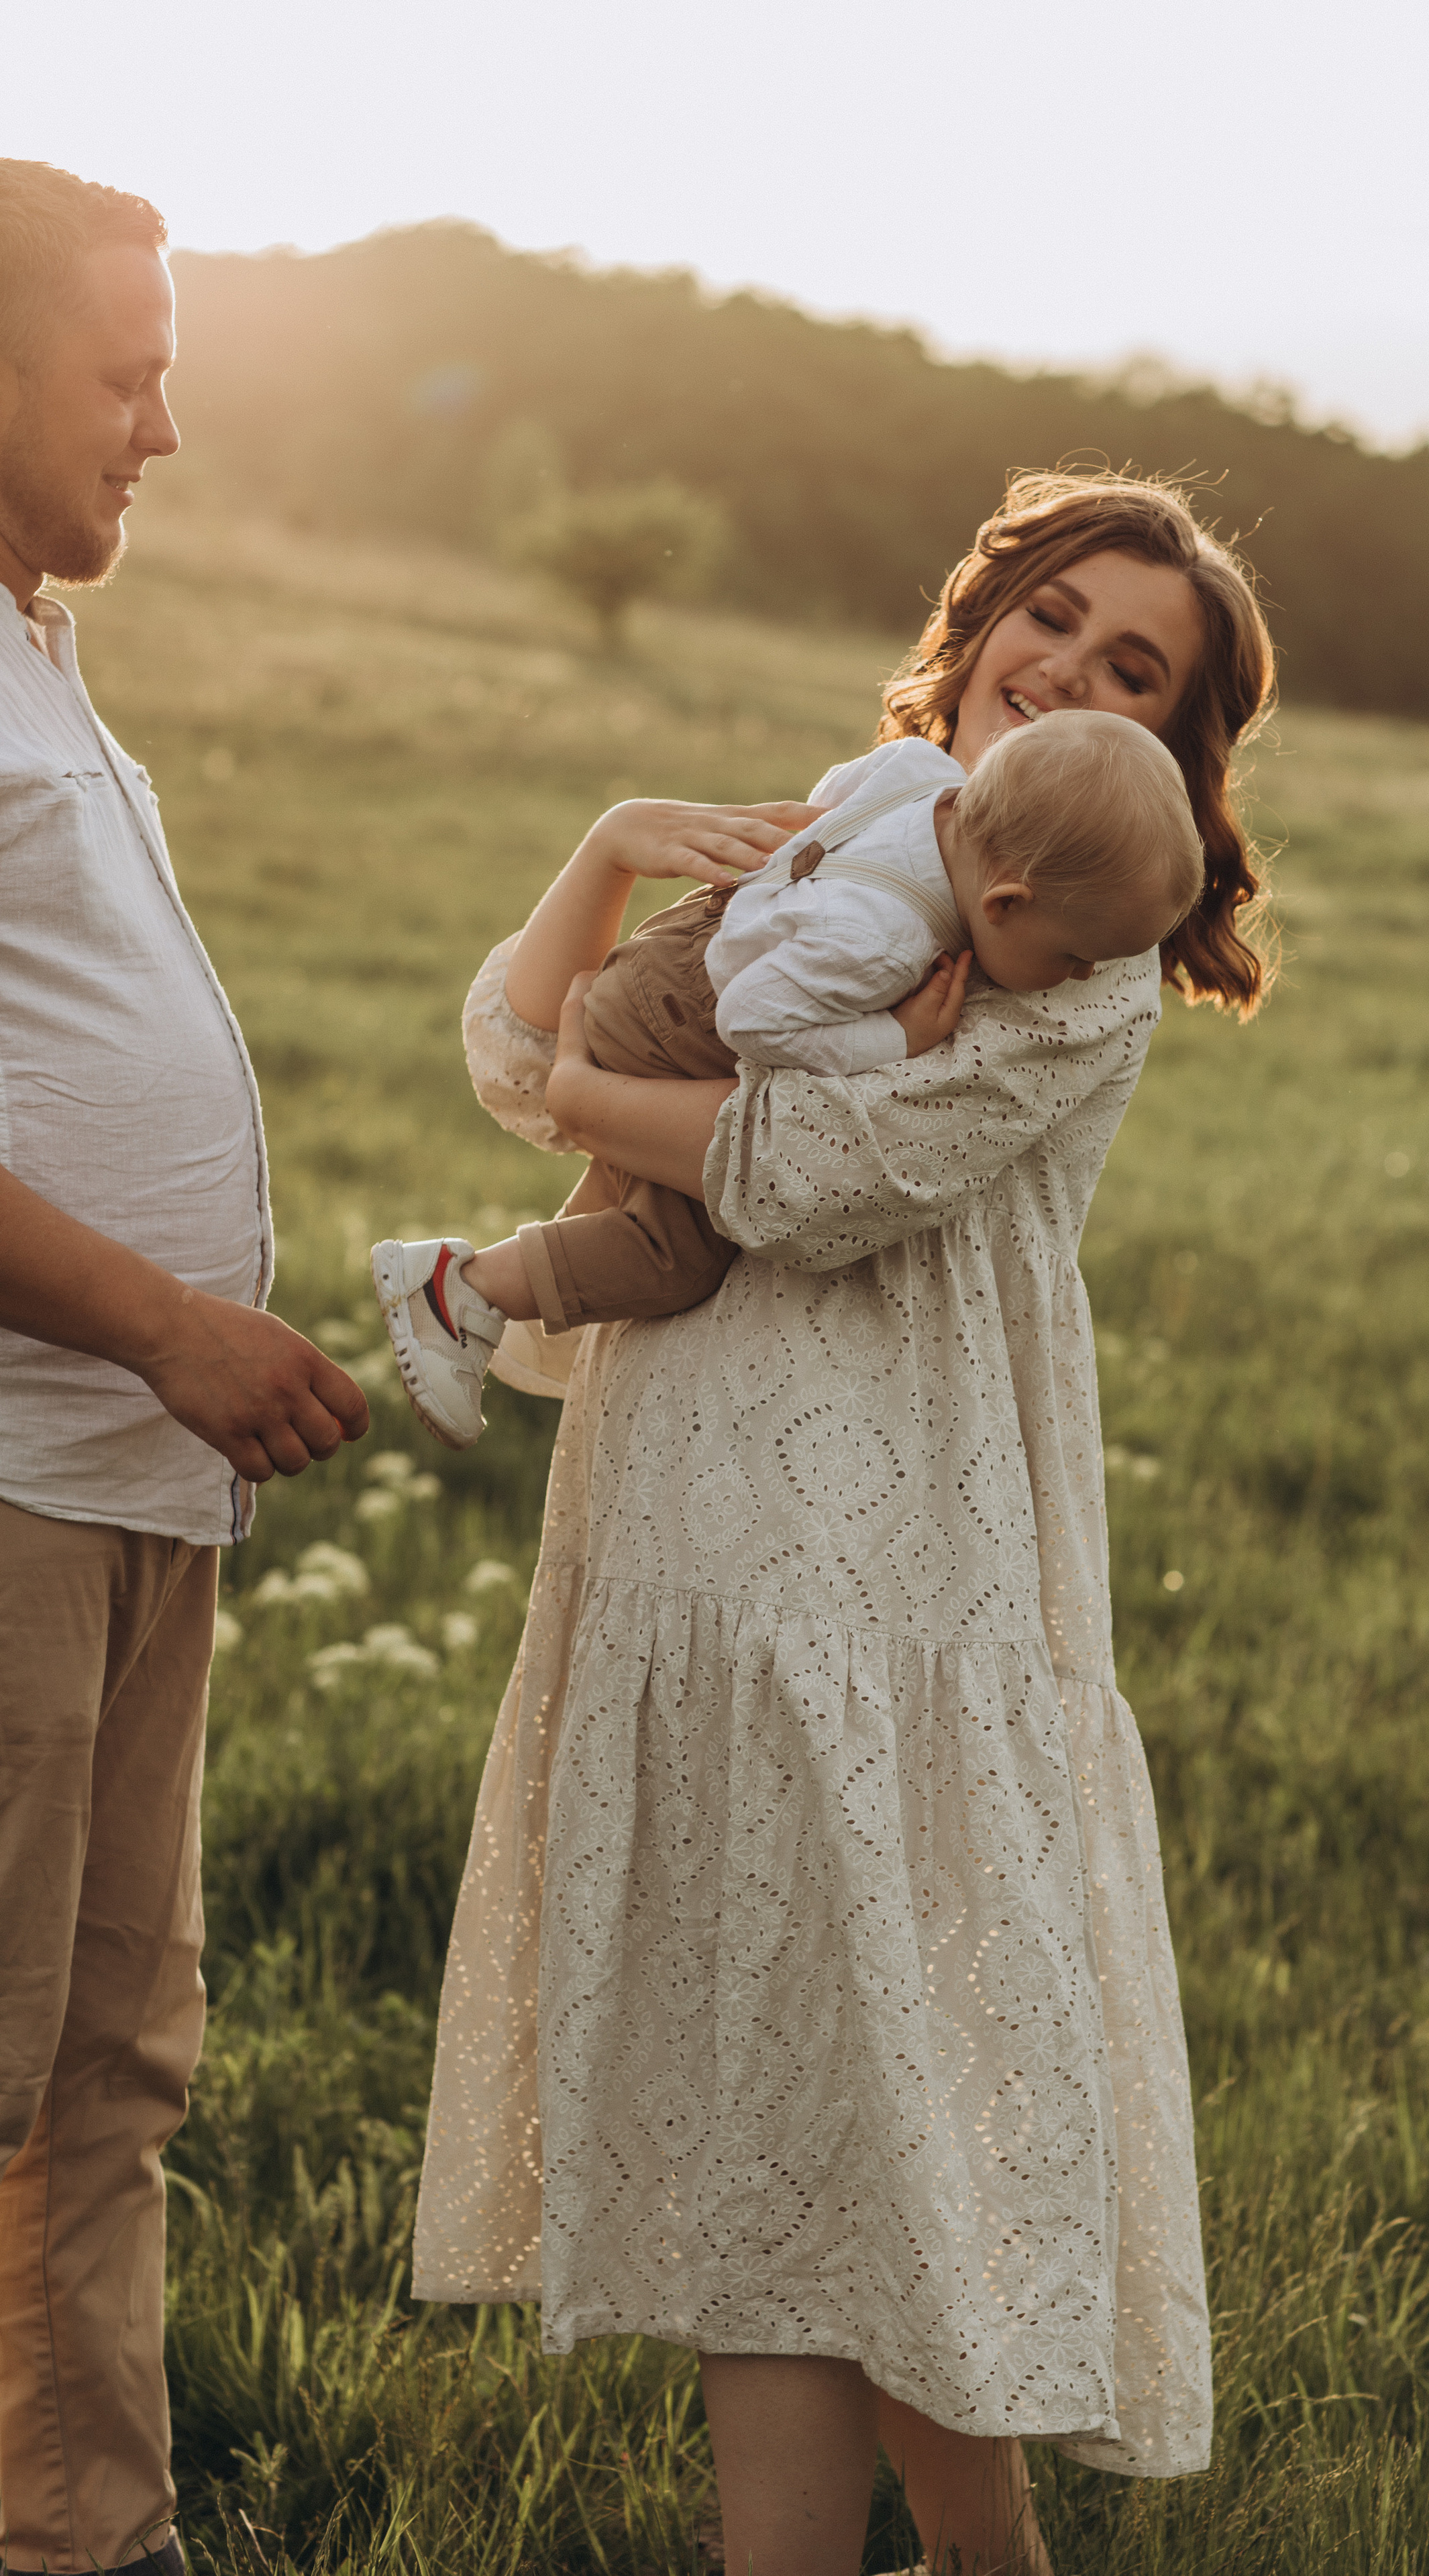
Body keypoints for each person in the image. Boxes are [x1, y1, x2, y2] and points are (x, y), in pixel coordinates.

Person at [412, 467, 1275, 2576]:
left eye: (1131, 664)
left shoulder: (1076, 963)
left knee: (890, 2108)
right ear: (981, 616)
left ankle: (983, 2556)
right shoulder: (860, 826)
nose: (1063, 664)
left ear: (1171, 749)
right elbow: (535, 1032)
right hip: (692, 1524)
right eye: (1050, 616)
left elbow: (796, 1173)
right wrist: (609, 861)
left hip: (905, 1561)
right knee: (773, 2121)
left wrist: (564, 1113)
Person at [0, 162, 369, 2576]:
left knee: (105, 2077)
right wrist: (159, 1322)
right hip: (19, 1476)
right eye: (124, 371)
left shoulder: (38, 656)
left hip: (128, 1498)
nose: (166, 427)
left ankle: (84, 2542)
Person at [372, 710, 1204, 1448]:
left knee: (646, 1190)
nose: (1080, 973)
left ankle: (484, 1298)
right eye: (1071, 956)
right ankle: (457, 1290)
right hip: (684, 1016)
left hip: (688, 941)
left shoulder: (923, 774)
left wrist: (802, 887)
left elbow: (840, 792)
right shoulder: (882, 941)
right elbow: (752, 1019)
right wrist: (895, 1035)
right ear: (1005, 904)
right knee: (677, 1254)